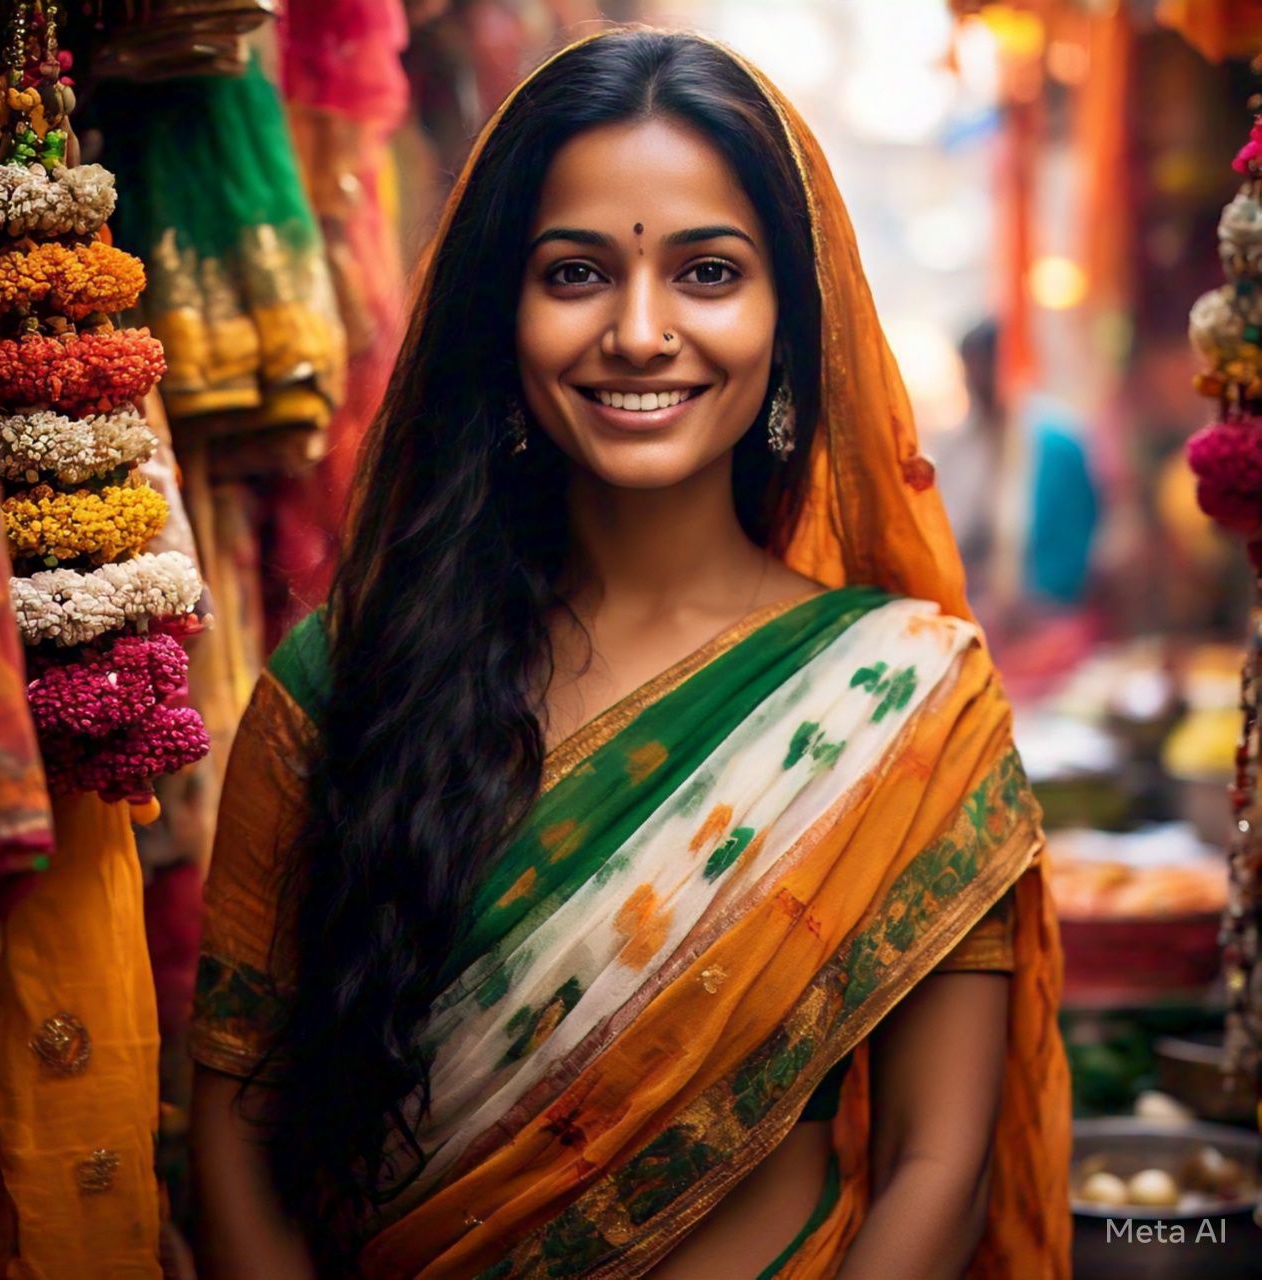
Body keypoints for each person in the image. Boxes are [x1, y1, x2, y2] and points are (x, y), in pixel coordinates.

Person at [188, 26, 1071, 1280]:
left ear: (788, 315)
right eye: (575, 273)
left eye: (707, 272)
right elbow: (235, 1136)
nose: (641, 331)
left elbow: (938, 1158)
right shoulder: (343, 687)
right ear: (502, 313)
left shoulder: (904, 701)